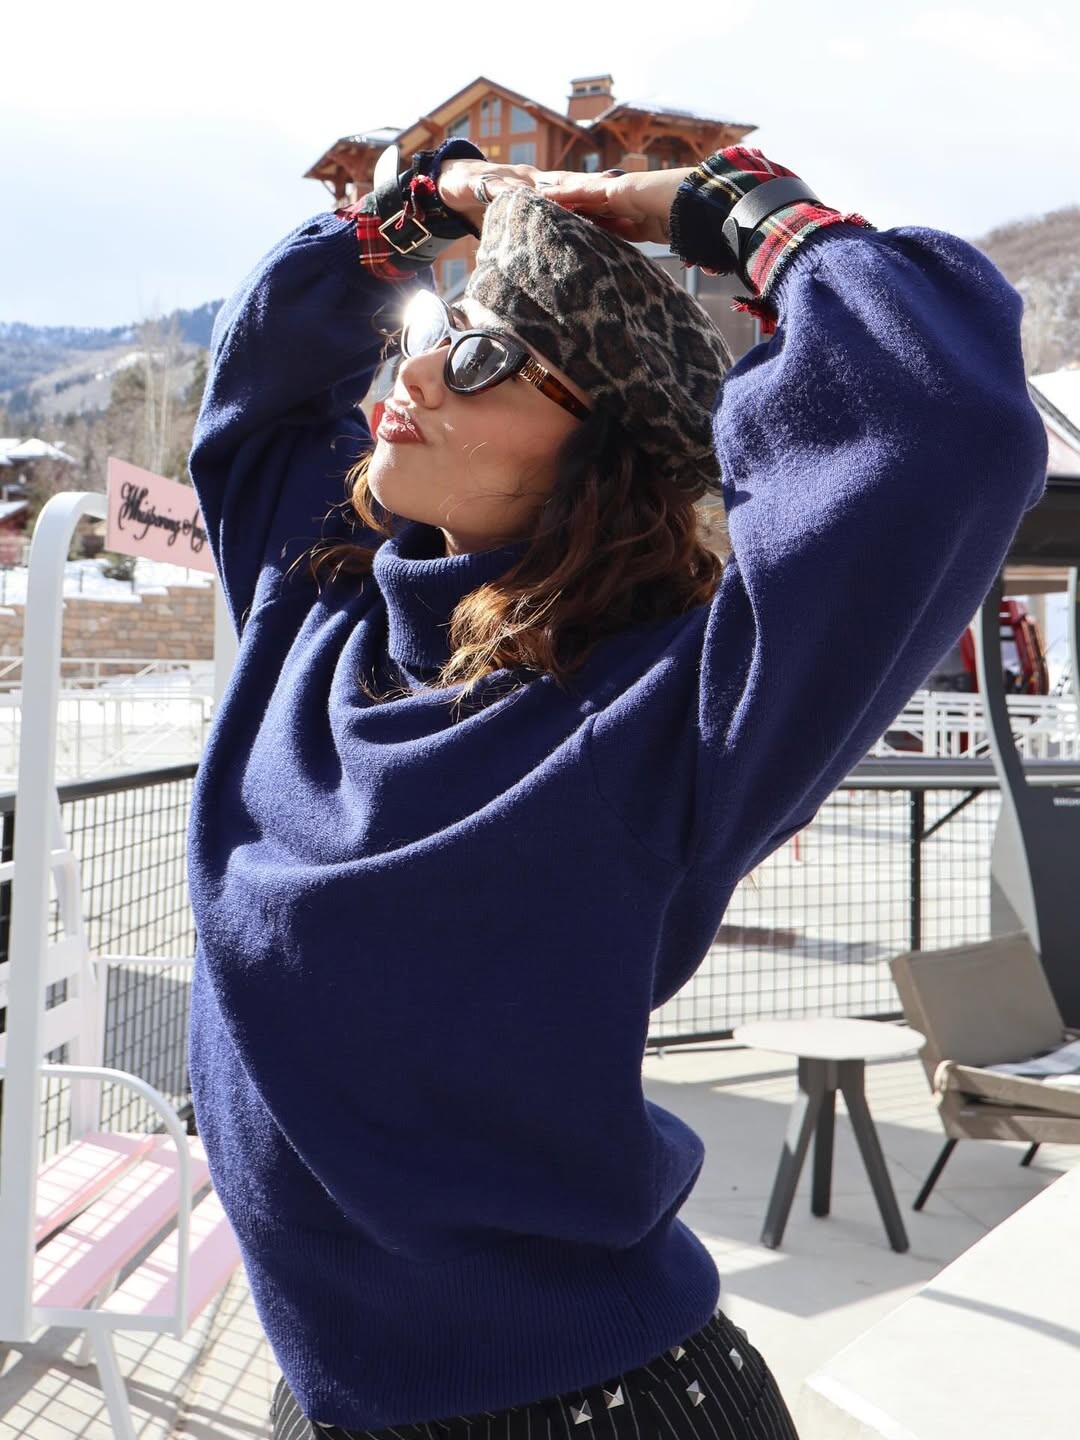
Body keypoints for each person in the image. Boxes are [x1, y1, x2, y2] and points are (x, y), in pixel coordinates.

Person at [185, 135, 1047, 1440]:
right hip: (342, 1400)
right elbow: (258, 384)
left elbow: (944, 430)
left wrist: (733, 213)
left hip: (589, 1409)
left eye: (484, 359)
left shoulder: (662, 713)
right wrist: (416, 214)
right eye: (427, 335)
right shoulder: (313, 604)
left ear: (602, 455)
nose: (416, 371)